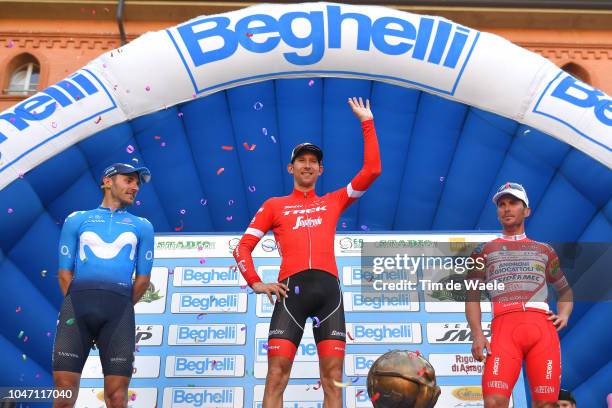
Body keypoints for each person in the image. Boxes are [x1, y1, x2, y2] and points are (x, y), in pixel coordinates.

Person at [233, 97, 381, 408]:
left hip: (329, 295)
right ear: (291, 167)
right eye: (302, 160)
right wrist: (256, 282)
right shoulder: (274, 205)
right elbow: (243, 247)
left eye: (313, 161)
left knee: (332, 379)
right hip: (292, 295)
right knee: (276, 376)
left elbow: (372, 170)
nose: (308, 165)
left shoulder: (334, 200)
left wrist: (367, 123)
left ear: (320, 169)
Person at [52, 163, 155, 408]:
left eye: (137, 183)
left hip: (118, 313)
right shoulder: (76, 219)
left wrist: (118, 307)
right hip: (76, 310)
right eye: (129, 180)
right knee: (65, 394)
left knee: (117, 397)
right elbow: (64, 273)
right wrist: (77, 305)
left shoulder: (143, 226)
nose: (135, 187)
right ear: (107, 181)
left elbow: (143, 279)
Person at [465, 182, 574, 408]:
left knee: (546, 404)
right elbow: (472, 296)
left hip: (542, 330)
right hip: (505, 330)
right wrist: (477, 334)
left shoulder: (545, 250)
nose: (506, 208)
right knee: (494, 402)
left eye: (513, 203)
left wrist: (564, 314)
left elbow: (565, 291)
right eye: (501, 204)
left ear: (526, 211)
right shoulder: (482, 251)